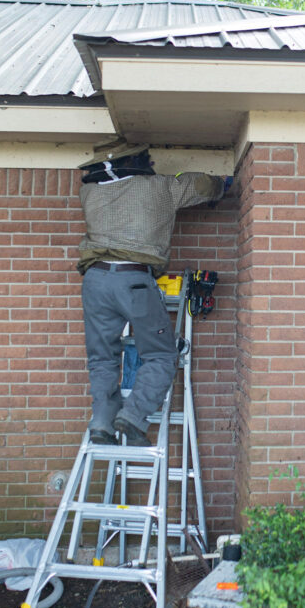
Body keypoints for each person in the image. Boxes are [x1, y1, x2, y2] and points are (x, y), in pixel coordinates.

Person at [76, 141, 229, 446]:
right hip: (133, 280)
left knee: (102, 358)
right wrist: (223, 183)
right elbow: (201, 185)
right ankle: (132, 417)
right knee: (160, 354)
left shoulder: (89, 192)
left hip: (95, 280)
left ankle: (102, 423)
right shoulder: (159, 188)